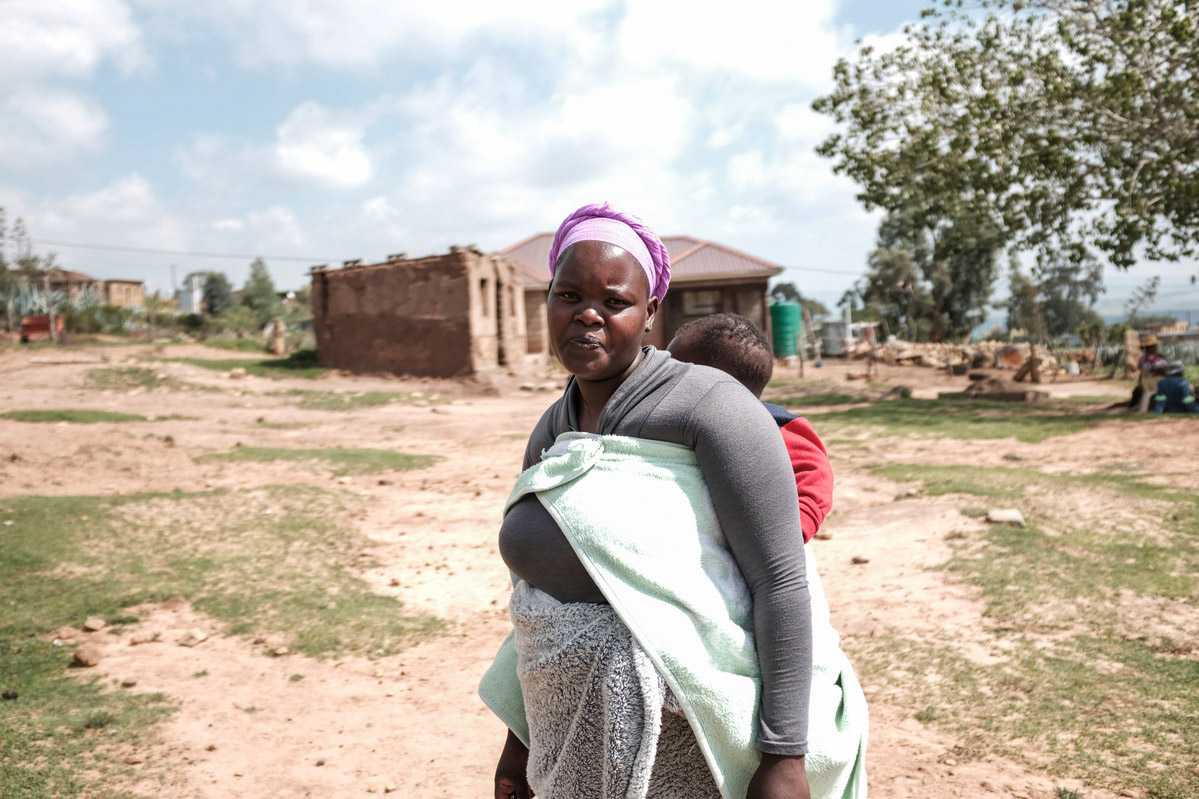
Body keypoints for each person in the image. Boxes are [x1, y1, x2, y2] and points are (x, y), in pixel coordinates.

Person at [481, 203, 856, 799]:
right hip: (569, 730)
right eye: (568, 295)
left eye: (614, 301)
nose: (588, 316)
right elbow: (537, 594)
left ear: (650, 311)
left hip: (687, 737)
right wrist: (518, 741)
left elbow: (782, 580)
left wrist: (784, 757)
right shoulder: (555, 429)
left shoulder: (708, 406)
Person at [666, 313, 833, 543]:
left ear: (725, 387)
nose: (661, 379)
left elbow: (813, 480)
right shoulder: (669, 423)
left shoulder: (774, 425)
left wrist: (788, 537)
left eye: (675, 374)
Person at [1137, 334, 1169, 412]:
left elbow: (1140, 369)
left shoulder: (1142, 358)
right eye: (1155, 346)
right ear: (1151, 346)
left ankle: (1144, 409)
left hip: (1145, 381)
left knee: (1147, 395)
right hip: (1155, 381)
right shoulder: (1154, 358)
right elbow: (1165, 367)